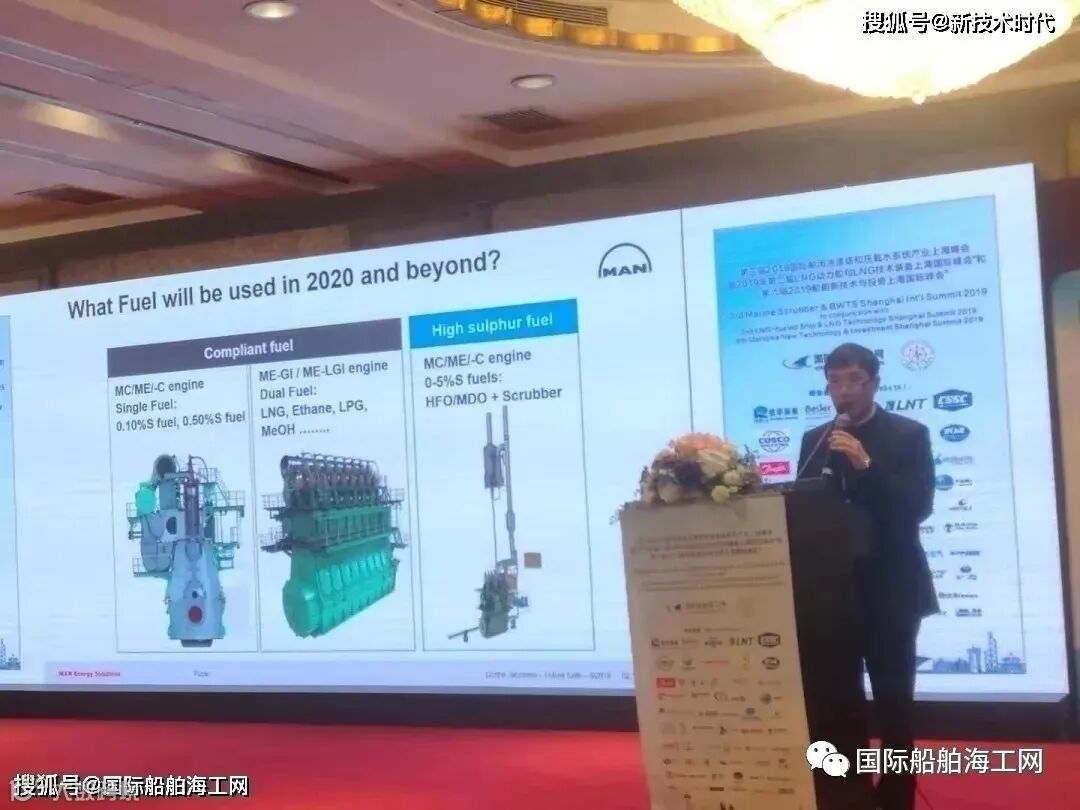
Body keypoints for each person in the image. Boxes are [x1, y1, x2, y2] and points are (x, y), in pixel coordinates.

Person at [797, 342, 938, 810]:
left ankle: (896, 798)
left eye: (854, 380)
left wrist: (866, 465)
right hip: (832, 593)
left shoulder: (908, 434)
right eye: (835, 381)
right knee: (838, 702)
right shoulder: (815, 440)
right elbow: (803, 505)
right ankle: (847, 793)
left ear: (874, 383)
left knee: (894, 702)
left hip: (891, 590)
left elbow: (917, 507)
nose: (845, 390)